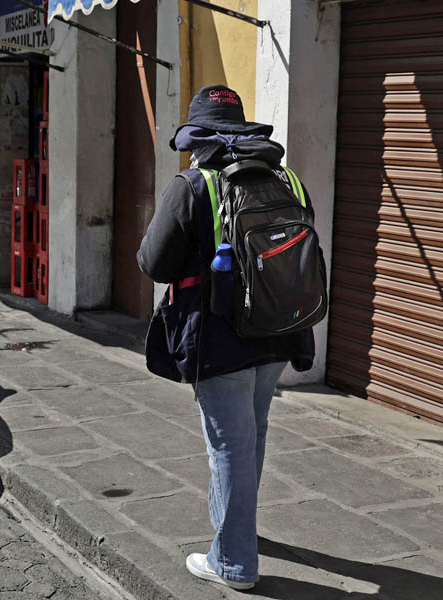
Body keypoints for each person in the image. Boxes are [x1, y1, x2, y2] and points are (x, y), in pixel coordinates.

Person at [136, 84, 317, 591]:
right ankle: (238, 529)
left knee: (229, 445)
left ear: (197, 136)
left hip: (219, 339)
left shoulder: (194, 184)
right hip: (280, 330)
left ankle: (234, 561)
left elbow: (154, 263)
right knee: (251, 435)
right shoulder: (288, 178)